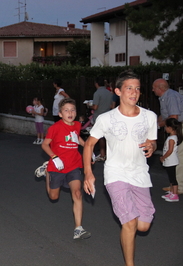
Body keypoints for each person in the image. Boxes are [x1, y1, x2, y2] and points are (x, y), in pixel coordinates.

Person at [83, 70, 157, 266]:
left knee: (143, 225)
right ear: (118, 91)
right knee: (130, 223)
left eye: (137, 89)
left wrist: (152, 146)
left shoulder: (149, 117)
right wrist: (88, 174)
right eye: (129, 88)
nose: (134, 92)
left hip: (140, 174)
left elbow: (152, 141)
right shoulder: (106, 118)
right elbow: (89, 144)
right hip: (115, 173)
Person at [41, 98, 91, 240]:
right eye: (66, 110)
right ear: (60, 114)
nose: (70, 112)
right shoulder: (55, 128)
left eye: (73, 110)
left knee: (77, 193)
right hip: (57, 166)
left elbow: (76, 138)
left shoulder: (76, 125)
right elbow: (45, 145)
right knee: (53, 196)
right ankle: (47, 172)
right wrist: (54, 157)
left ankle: (78, 228)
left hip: (74, 165)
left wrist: (87, 147)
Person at [152, 78, 183, 194]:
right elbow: (164, 115)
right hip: (177, 126)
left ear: (160, 88)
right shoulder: (164, 97)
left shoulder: (170, 97)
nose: (152, 90)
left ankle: (178, 186)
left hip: (180, 127)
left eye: (154, 88)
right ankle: (175, 184)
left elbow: (173, 117)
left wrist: (159, 125)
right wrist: (155, 123)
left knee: (178, 155)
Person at [87, 77, 113, 161]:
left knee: (100, 136)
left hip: (99, 116)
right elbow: (112, 105)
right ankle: (108, 153)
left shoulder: (97, 93)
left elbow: (95, 106)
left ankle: (102, 154)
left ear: (96, 84)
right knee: (108, 136)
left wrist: (89, 105)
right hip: (108, 115)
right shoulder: (109, 93)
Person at [160, 118, 182, 202]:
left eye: (166, 126)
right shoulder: (173, 137)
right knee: (171, 177)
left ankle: (175, 195)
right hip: (170, 160)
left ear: (170, 127)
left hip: (171, 160)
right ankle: (172, 192)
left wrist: (163, 157)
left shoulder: (172, 138)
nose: (165, 128)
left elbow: (170, 150)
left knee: (173, 179)